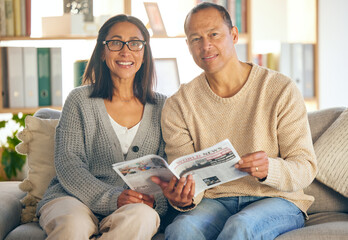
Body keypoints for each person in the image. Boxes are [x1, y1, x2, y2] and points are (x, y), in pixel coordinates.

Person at [152, 2, 317, 240]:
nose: (206, 45)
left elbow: (305, 167)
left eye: (214, 34)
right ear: (188, 46)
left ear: (234, 35)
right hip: (215, 201)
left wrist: (269, 168)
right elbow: (187, 178)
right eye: (196, 39)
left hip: (277, 199)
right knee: (180, 229)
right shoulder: (179, 104)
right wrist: (184, 197)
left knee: (241, 226)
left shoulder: (280, 89)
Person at [36, 14, 167, 240]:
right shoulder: (79, 100)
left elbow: (167, 170)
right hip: (71, 199)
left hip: (133, 206)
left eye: (135, 43)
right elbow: (69, 163)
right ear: (103, 51)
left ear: (144, 53)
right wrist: (111, 197)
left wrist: (156, 202)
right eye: (115, 42)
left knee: (143, 218)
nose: (126, 51)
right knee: (73, 226)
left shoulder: (164, 106)